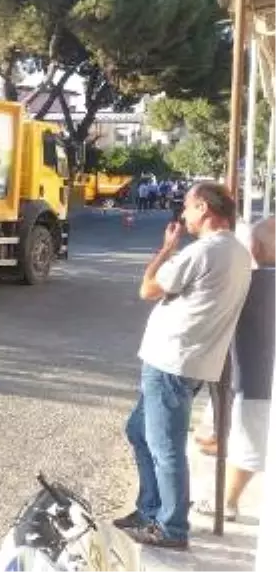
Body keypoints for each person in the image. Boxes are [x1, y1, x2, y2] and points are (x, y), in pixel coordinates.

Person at [113, 181, 253, 549]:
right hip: (185, 361)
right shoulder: (236, 251)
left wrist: (167, 248)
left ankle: (171, 526)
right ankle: (151, 509)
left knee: (165, 446)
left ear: (205, 209)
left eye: (188, 208)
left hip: (172, 361)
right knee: (139, 432)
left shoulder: (204, 251)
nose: (184, 215)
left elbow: (147, 288)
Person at [193, 216, 276, 522]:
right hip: (256, 378)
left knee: (250, 445)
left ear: (255, 246)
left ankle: (226, 502)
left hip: (257, 381)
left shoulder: (255, 283)